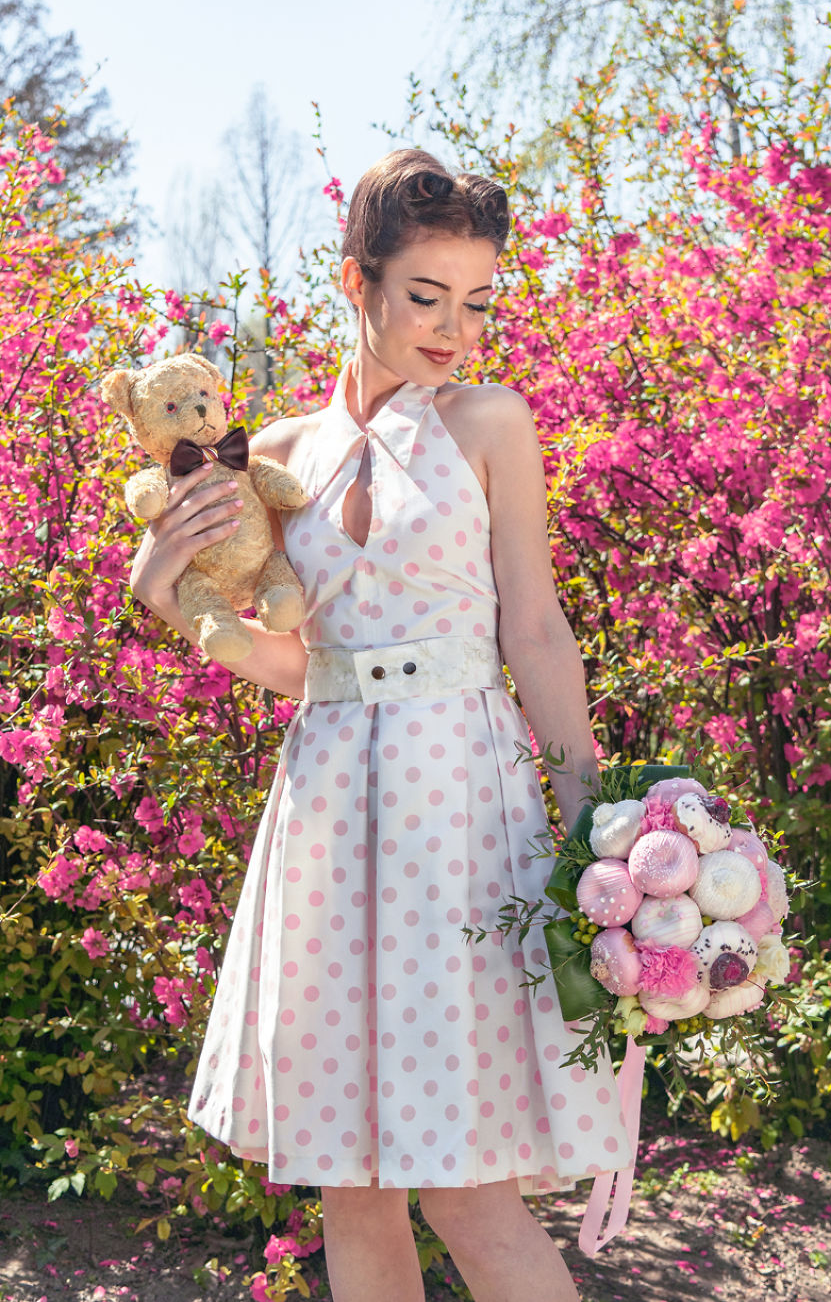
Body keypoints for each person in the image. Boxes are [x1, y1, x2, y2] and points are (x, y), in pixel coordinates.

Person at [130, 149, 631, 1302]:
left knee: (466, 1189)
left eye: (478, 301)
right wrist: (176, 605)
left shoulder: (490, 421)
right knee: (350, 1185)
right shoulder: (277, 459)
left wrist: (599, 808)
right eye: (425, 296)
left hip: (459, 802)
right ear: (357, 281)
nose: (455, 329)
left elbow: (537, 627)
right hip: (328, 809)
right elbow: (295, 662)